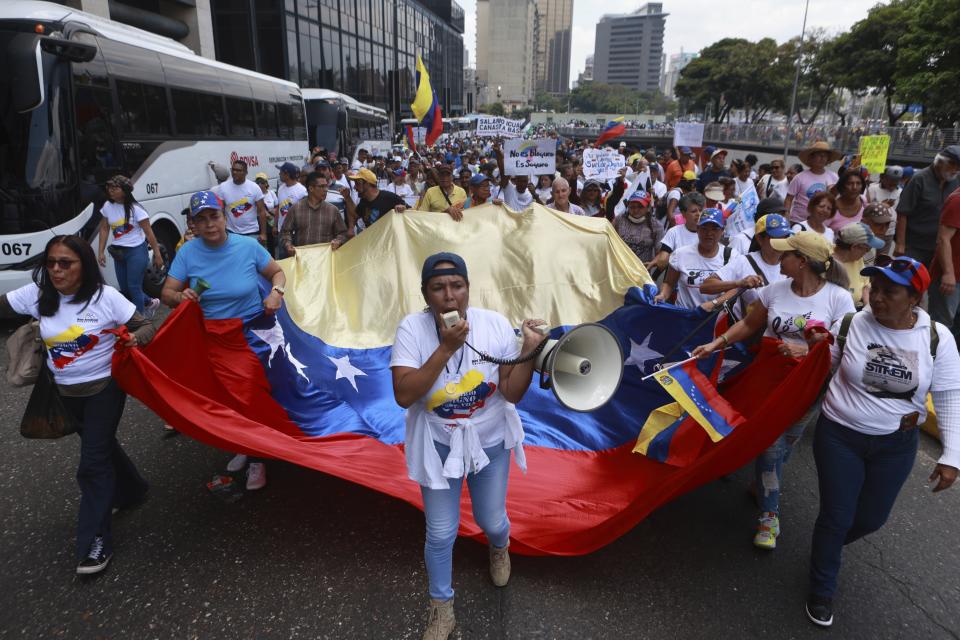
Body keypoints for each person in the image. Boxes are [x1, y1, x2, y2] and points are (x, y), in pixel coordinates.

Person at [390, 253, 543, 640]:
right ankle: (442, 607)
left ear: (468, 289)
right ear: (426, 294)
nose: (449, 296)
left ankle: (499, 545)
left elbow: (511, 391)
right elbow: (404, 395)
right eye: (438, 288)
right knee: (441, 532)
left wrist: (529, 349)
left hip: (489, 441)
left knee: (491, 519)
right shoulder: (411, 329)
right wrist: (443, 349)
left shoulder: (492, 326)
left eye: (457, 286)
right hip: (439, 444)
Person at [805, 257, 959, 627]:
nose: (877, 298)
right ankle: (821, 586)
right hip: (839, 435)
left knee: (871, 519)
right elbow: (824, 366)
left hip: (896, 446)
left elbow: (950, 395)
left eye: (890, 292)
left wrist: (953, 454)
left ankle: (827, 548)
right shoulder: (851, 324)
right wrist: (811, 348)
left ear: (914, 299)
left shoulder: (936, 338)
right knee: (837, 515)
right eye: (875, 288)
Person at [692, 231, 855, 552]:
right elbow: (751, 325)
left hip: (809, 389)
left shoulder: (839, 299)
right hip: (768, 382)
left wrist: (807, 352)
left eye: (786, 255)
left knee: (782, 446)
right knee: (770, 446)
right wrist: (715, 344)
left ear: (803, 262)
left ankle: (763, 484)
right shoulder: (774, 291)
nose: (779, 259)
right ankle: (769, 514)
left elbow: (837, 349)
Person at [3, 235, 155, 574]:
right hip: (61, 394)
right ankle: (132, 490)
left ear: (83, 266)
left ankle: (94, 543)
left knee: (92, 464)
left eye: (65, 263)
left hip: (104, 390)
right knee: (98, 447)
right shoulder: (38, 295)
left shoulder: (106, 298)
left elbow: (146, 326)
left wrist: (134, 338)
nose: (56, 270)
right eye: (51, 262)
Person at [160, 191, 287, 490]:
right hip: (213, 336)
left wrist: (275, 293)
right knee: (227, 398)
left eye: (214, 216)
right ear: (193, 224)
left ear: (224, 216)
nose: (209, 225)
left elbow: (277, 273)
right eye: (201, 220)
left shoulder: (247, 246)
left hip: (252, 333)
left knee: (250, 394)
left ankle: (259, 458)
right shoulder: (188, 253)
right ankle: (245, 444)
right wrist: (180, 296)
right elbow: (167, 294)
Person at [96, 175, 164, 316]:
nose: (111, 191)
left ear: (125, 190)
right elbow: (104, 229)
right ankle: (149, 302)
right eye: (109, 188)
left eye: (115, 188)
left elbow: (149, 233)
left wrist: (157, 254)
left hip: (137, 251)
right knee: (125, 289)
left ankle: (140, 321)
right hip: (119, 253)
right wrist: (100, 252)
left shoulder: (136, 209)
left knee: (134, 287)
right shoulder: (108, 206)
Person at [703, 214, 791, 321]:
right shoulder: (743, 262)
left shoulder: (793, 264)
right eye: (775, 237)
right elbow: (706, 286)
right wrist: (739, 283)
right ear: (759, 239)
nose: (781, 242)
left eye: (785, 237)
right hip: (748, 333)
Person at [655, 208, 737, 309]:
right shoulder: (680, 254)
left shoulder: (732, 256)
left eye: (714, 229)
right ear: (697, 229)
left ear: (722, 231)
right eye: (704, 228)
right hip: (684, 316)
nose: (709, 233)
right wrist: (663, 295)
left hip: (715, 318)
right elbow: (669, 283)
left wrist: (713, 304)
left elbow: (735, 289)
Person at [895, 145, 960, 266]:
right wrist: (900, 244)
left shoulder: (955, 181)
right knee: (908, 281)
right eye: (952, 164)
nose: (955, 170)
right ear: (940, 162)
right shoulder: (919, 179)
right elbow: (903, 213)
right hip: (915, 246)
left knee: (932, 283)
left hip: (941, 246)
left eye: (959, 166)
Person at [280, 172, 348, 256]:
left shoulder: (333, 210)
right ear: (311, 188)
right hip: (302, 259)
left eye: (326, 186)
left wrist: (338, 241)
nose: (326, 189)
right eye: (322, 186)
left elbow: (343, 233)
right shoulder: (296, 209)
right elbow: (285, 232)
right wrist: (288, 246)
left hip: (325, 259)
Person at [928, 186, 960, 338]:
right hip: (951, 277)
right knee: (941, 327)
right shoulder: (957, 200)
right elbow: (943, 238)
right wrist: (948, 273)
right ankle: (933, 360)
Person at [784, 142, 841, 223]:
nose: (822, 158)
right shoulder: (799, 177)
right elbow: (788, 199)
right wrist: (786, 217)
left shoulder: (834, 177)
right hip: (798, 221)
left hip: (821, 223)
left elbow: (834, 198)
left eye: (825, 156)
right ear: (812, 157)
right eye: (819, 155)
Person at [214, 160, 268, 245]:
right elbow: (220, 210)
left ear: (246, 172)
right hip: (231, 232)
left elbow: (261, 211)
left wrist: (263, 233)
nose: (235, 172)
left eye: (238, 170)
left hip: (252, 232)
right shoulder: (223, 188)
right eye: (233, 169)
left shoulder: (254, 188)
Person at [648, 192, 704, 272]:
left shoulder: (708, 234)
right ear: (683, 213)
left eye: (701, 210)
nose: (698, 214)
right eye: (693, 211)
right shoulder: (674, 232)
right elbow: (662, 262)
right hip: (673, 281)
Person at [834, 222, 885, 309]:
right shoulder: (828, 263)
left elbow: (865, 286)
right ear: (854, 247)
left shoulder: (857, 259)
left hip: (856, 309)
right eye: (867, 249)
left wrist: (868, 308)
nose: (866, 253)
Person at [342, 168, 407, 233]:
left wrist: (403, 208)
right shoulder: (364, 201)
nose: (354, 187)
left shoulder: (389, 197)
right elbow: (355, 215)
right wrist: (348, 198)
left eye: (357, 183)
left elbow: (411, 211)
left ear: (367, 184)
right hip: (372, 240)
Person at [613, 190, 664, 263]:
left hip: (642, 270)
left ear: (648, 207)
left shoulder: (657, 226)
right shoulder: (619, 220)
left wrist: (653, 263)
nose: (636, 210)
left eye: (640, 207)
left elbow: (660, 253)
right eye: (632, 207)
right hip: (620, 266)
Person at [274, 162, 308, 257]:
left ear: (287, 174)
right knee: (283, 259)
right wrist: (275, 225)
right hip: (282, 231)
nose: (279, 174)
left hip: (295, 232)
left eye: (280, 172)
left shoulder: (302, 191)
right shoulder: (281, 188)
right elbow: (278, 207)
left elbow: (305, 212)